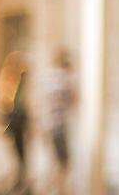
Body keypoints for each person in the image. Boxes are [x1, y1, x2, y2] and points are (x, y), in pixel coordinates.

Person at [40, 49, 77, 194]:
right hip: (59, 127)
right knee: (64, 164)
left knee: (54, 162)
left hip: (47, 126)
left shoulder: (47, 78)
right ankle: (60, 191)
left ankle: (52, 190)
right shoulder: (63, 79)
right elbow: (73, 100)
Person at [0, 51, 29, 194]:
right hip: (14, 121)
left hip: (18, 121)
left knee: (20, 153)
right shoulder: (9, 80)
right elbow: (4, 101)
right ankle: (18, 181)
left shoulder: (18, 81)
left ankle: (21, 181)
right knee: (17, 153)